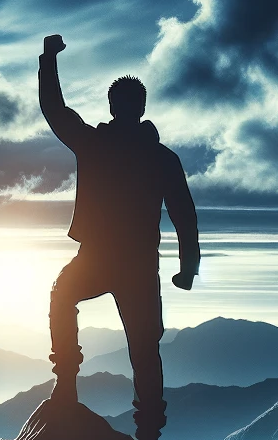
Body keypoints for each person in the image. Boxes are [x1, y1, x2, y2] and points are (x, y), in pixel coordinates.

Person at [38, 34, 200, 440]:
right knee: (144, 349)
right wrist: (187, 269)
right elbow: (185, 217)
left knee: (65, 297)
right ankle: (147, 429)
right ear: (137, 107)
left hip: (104, 260)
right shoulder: (161, 157)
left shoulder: (95, 144)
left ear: (117, 106)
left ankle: (68, 385)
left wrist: (49, 60)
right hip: (138, 266)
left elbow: (55, 111)